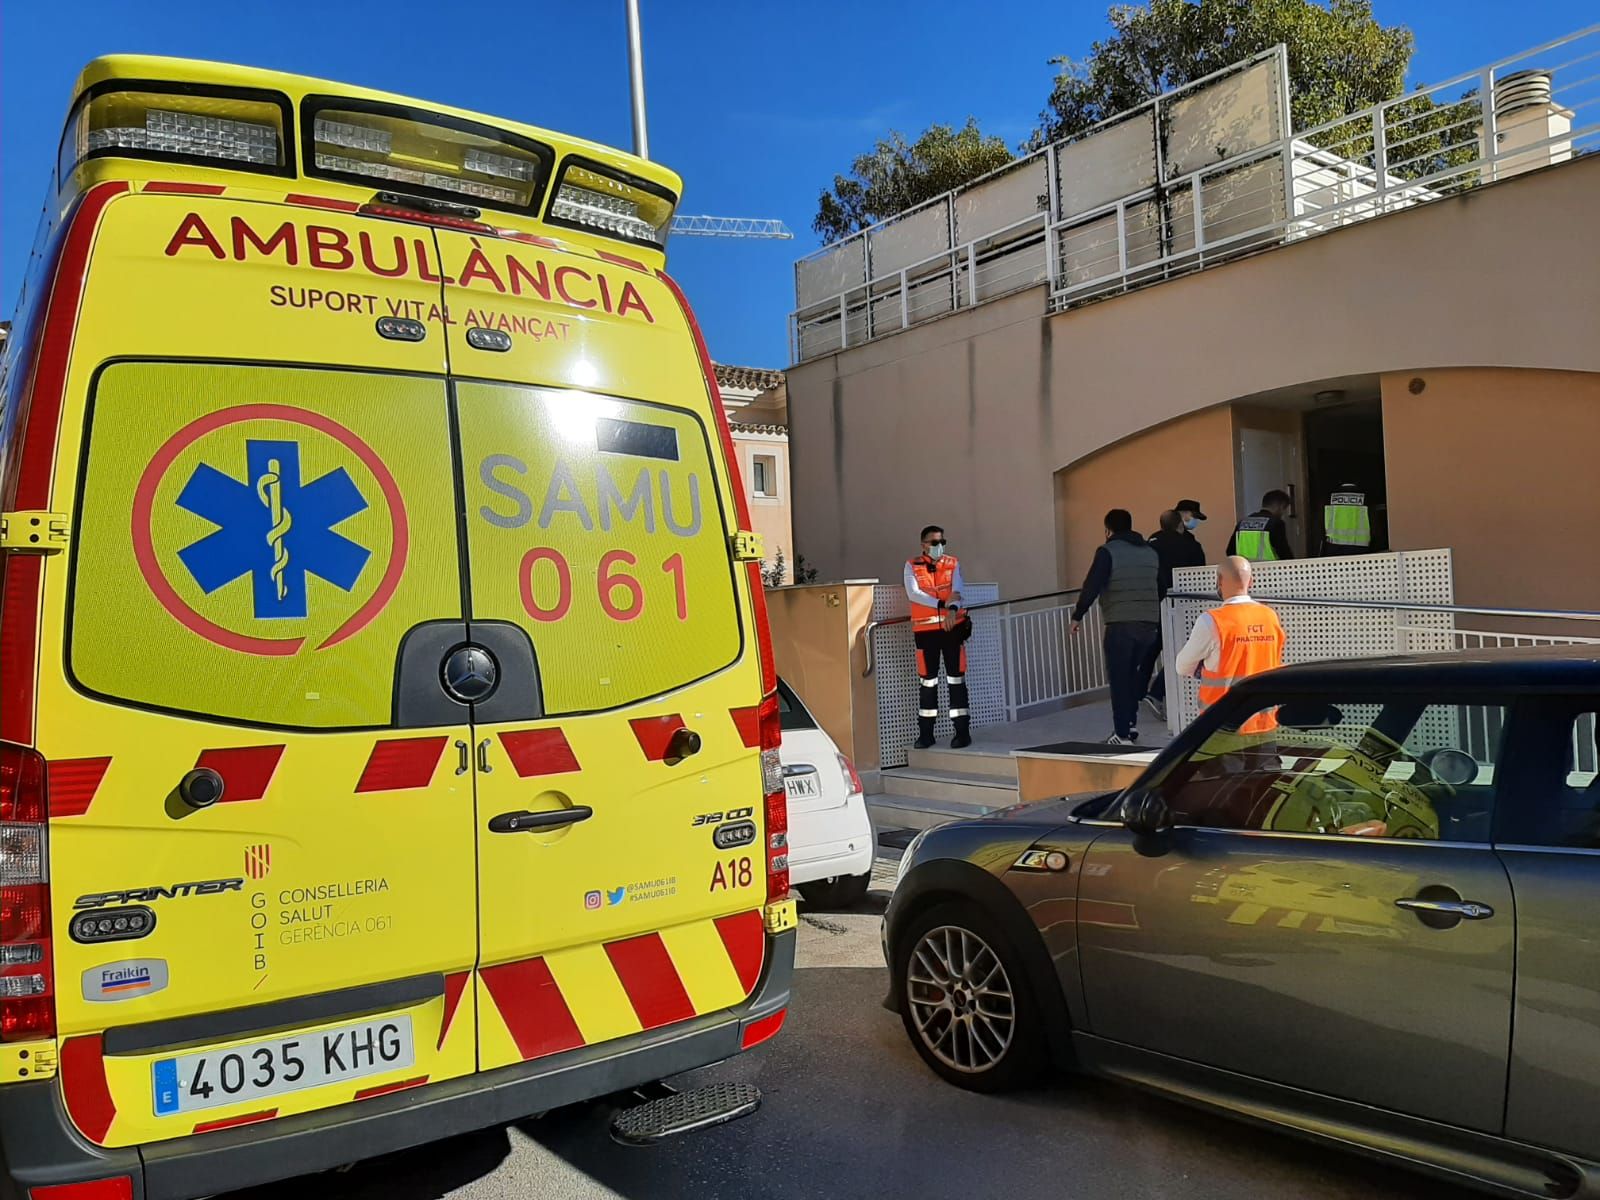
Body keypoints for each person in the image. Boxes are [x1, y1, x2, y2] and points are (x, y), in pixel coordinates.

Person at [1070, 509, 1159, 745]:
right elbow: (1158, 585)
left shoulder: (1108, 551)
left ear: (1108, 530)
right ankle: (1130, 725)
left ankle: (1121, 733)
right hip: (1149, 625)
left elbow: (1092, 585)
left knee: (1119, 679)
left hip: (1121, 623)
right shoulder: (1150, 552)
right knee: (1132, 676)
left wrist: (1077, 615)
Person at [1174, 555, 1286, 734]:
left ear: (1219, 581)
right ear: (1251, 582)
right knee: (1264, 763)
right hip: (1263, 721)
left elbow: (1182, 666)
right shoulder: (1270, 616)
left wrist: (1201, 669)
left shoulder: (1211, 621)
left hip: (1223, 721)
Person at [904, 524, 972, 750]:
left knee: (956, 680)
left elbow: (957, 589)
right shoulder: (911, 566)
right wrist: (942, 605)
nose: (939, 546)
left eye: (942, 542)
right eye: (934, 543)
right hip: (926, 633)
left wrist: (952, 609)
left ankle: (962, 733)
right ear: (924, 545)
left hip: (953, 629)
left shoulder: (953, 563)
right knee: (927, 683)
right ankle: (926, 734)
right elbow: (914, 593)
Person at [1142, 509, 1207, 718]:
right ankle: (1156, 693)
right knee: (1180, 651)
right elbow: (1199, 573)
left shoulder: (1149, 544)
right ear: (1180, 524)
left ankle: (1139, 693)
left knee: (1152, 650)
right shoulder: (1188, 545)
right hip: (1182, 605)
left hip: (1154, 603)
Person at [1227, 489, 1294, 562]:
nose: (1283, 513)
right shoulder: (1276, 523)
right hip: (1270, 570)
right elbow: (1284, 553)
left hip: (1245, 571)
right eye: (1284, 509)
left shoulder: (1242, 523)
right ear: (1281, 506)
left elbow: (1230, 551)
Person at [1321, 482, 1372, 555]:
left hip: (1334, 547)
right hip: (1361, 547)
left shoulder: (1329, 496)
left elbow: (1321, 522)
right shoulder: (1366, 496)